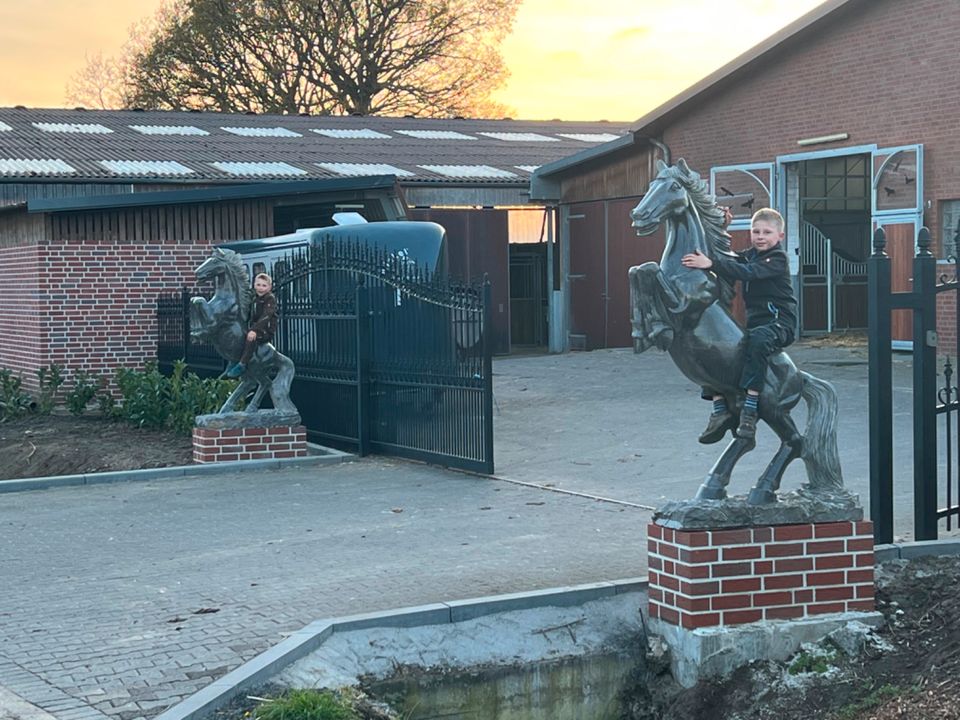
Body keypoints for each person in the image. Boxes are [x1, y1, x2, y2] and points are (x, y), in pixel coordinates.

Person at [680, 207, 797, 441]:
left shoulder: (777, 259)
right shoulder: (750, 254)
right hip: (754, 324)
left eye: (767, 232)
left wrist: (710, 264)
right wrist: (721, 228)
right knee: (717, 348)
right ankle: (719, 408)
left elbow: (747, 272)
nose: (760, 236)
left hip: (778, 323)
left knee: (757, 341)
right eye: (756, 231)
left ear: (780, 237)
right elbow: (727, 257)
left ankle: (750, 407)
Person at [225, 273, 278, 378]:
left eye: (264, 285)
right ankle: (234, 360)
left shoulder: (270, 299)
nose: (261, 288)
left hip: (265, 330)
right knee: (240, 336)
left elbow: (266, 316)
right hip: (254, 327)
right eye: (258, 285)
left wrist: (254, 330)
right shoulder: (254, 298)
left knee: (251, 338)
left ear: (269, 287)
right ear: (254, 285)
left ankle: (242, 364)